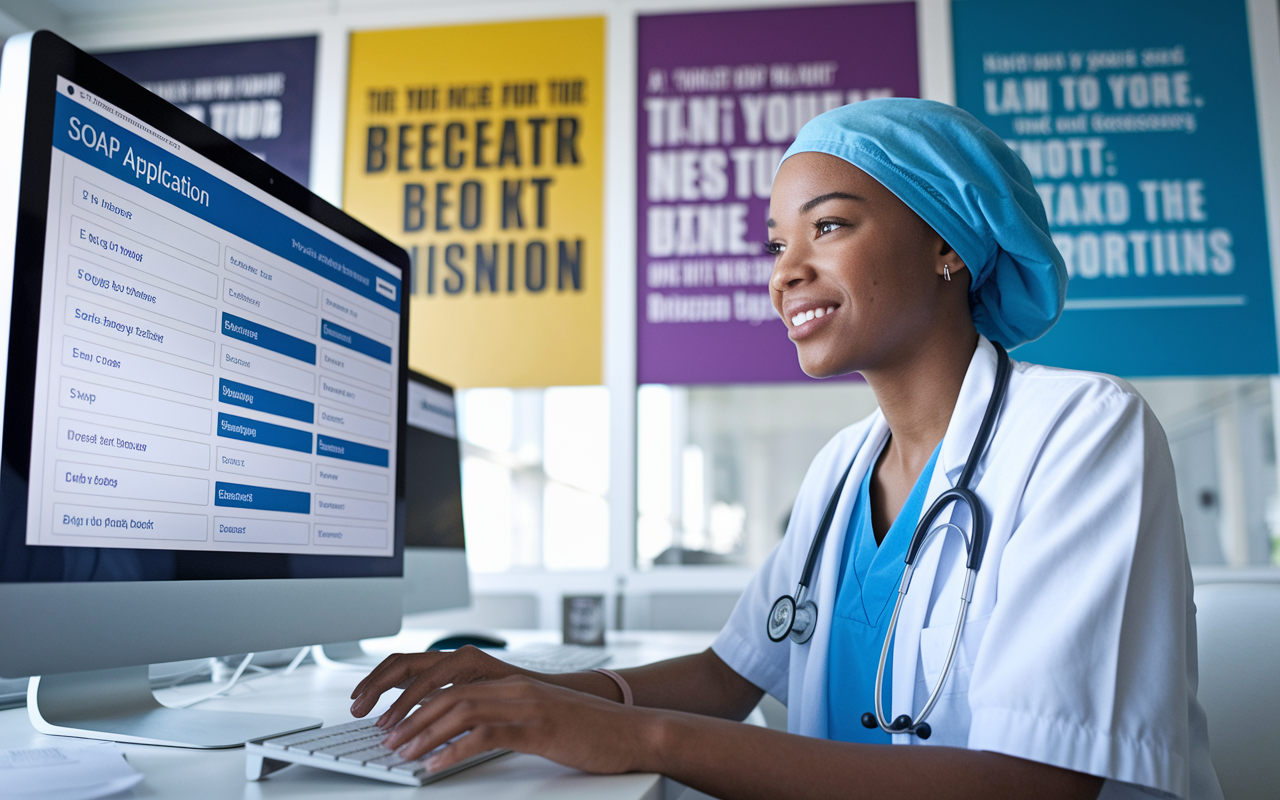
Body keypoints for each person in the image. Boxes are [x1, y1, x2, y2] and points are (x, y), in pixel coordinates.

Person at [350, 99, 1222, 800]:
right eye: (776, 244)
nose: (784, 271)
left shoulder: (1082, 432)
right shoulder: (844, 467)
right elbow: (729, 676)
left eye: (829, 227)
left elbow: (1035, 780)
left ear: (948, 243)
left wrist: (637, 738)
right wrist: (528, 689)